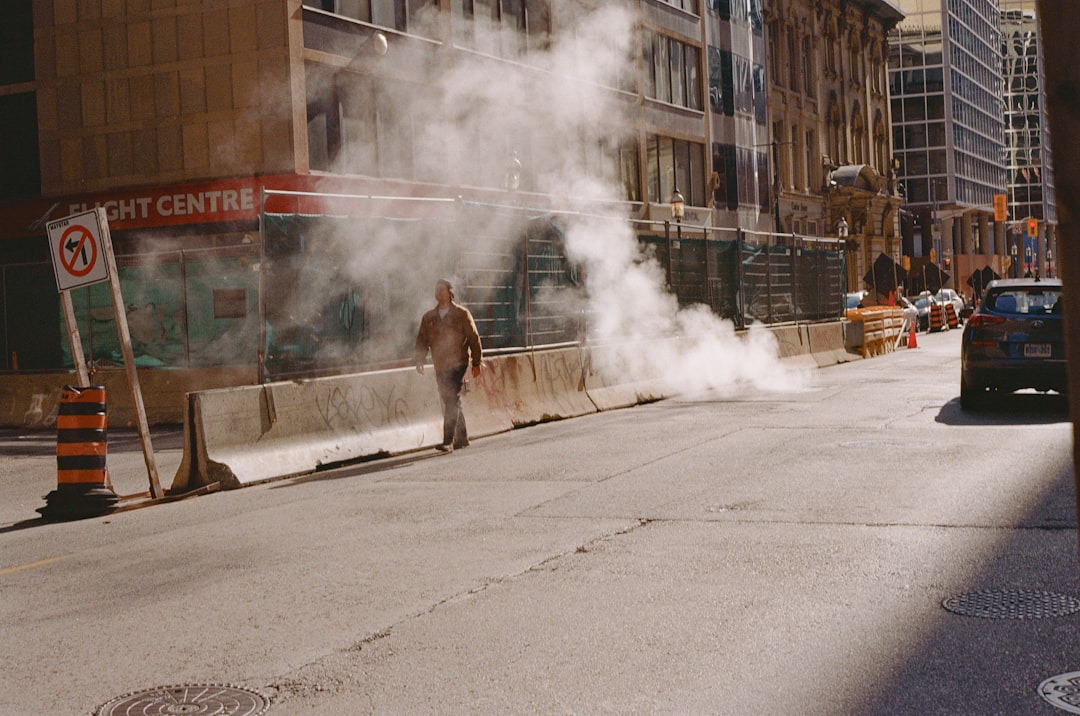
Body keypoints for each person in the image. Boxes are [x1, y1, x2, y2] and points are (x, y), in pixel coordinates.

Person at [414, 279, 483, 453]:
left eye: (442, 290)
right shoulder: (429, 317)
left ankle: (448, 441)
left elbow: (474, 338)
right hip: (441, 365)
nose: (438, 293)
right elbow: (422, 340)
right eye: (436, 290)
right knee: (451, 400)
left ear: (450, 293)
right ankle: (463, 437)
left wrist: (476, 362)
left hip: (458, 363)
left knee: (451, 399)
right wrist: (420, 359)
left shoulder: (461, 314)